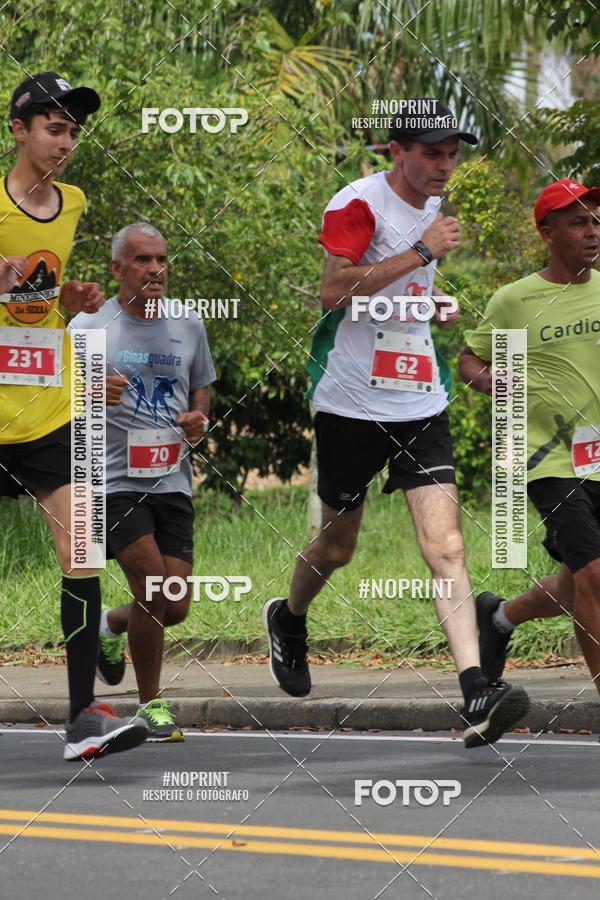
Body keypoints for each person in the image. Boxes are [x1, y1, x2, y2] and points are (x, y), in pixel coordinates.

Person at [263, 98, 530, 748]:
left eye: (452, 154)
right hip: (352, 402)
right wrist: (419, 252)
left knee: (447, 548)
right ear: (396, 150)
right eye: (432, 153)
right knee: (337, 548)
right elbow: (334, 291)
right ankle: (289, 617)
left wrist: (430, 301)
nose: (445, 166)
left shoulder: (433, 210)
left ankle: (475, 690)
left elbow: (396, 292)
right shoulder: (359, 203)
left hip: (419, 399)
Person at [0, 72, 149, 760]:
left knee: (81, 547)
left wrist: (70, 299)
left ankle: (83, 715)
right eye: (54, 129)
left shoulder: (74, 202)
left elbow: (36, 300)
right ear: (19, 131)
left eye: (73, 132)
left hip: (47, 403)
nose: (65, 143)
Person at [69, 223, 216, 741]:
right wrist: (87, 390)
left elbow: (201, 387)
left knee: (173, 605)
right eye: (142, 260)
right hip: (111, 481)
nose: (155, 269)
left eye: (161, 259)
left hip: (172, 479)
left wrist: (199, 420)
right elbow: (50, 399)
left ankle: (110, 625)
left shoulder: (188, 323)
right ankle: (151, 706)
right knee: (153, 588)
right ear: (117, 268)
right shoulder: (89, 327)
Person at [459, 178, 600, 689]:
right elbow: (469, 359)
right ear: (547, 232)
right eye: (578, 222)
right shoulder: (515, 300)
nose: (592, 231)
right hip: (548, 458)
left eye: (596, 222)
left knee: (576, 583)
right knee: (593, 577)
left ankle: (499, 617)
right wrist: (490, 381)